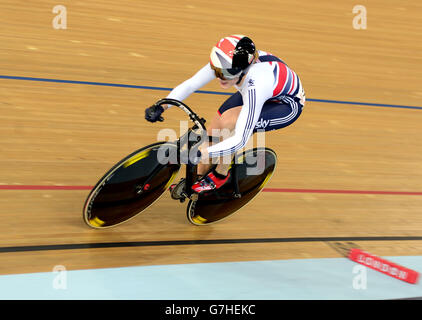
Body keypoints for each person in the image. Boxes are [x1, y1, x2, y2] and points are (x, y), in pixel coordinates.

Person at [145, 35, 305, 194]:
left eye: (226, 74)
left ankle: (220, 174)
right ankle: (198, 176)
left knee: (230, 124)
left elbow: (240, 140)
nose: (220, 77)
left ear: (242, 70)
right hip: (265, 90)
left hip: (286, 105)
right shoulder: (226, 61)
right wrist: (162, 106)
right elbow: (191, 84)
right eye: (217, 71)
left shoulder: (255, 84)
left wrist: (202, 153)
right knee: (213, 131)